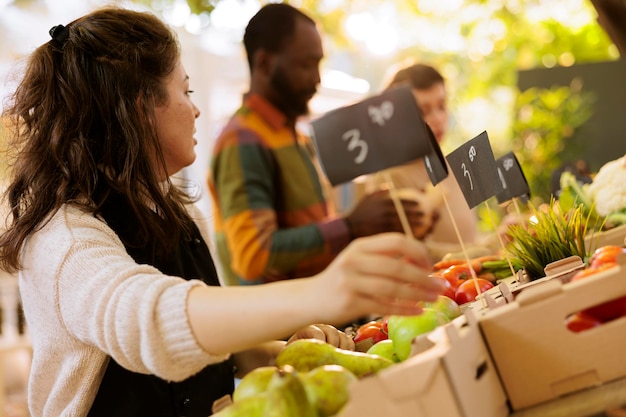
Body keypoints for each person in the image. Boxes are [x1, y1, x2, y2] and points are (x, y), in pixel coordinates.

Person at [0, 7, 445, 417]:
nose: (195, 109)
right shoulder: (64, 235)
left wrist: (275, 349)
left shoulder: (171, 207)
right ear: (140, 106)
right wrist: (327, 291)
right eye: (185, 90)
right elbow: (147, 324)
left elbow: (201, 345)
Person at [208, 4, 435, 286]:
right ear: (264, 63)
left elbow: (314, 238)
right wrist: (351, 225)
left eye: (319, 63)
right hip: (286, 328)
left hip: (320, 318)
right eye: (306, 64)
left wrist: (380, 226)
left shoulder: (296, 136)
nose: (316, 78)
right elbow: (255, 255)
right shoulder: (242, 139)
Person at [365, 63, 479, 260]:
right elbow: (409, 252)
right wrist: (480, 253)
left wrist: (503, 237)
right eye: (423, 111)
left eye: (442, 106)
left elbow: (471, 239)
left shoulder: (456, 166)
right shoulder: (388, 179)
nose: (437, 118)